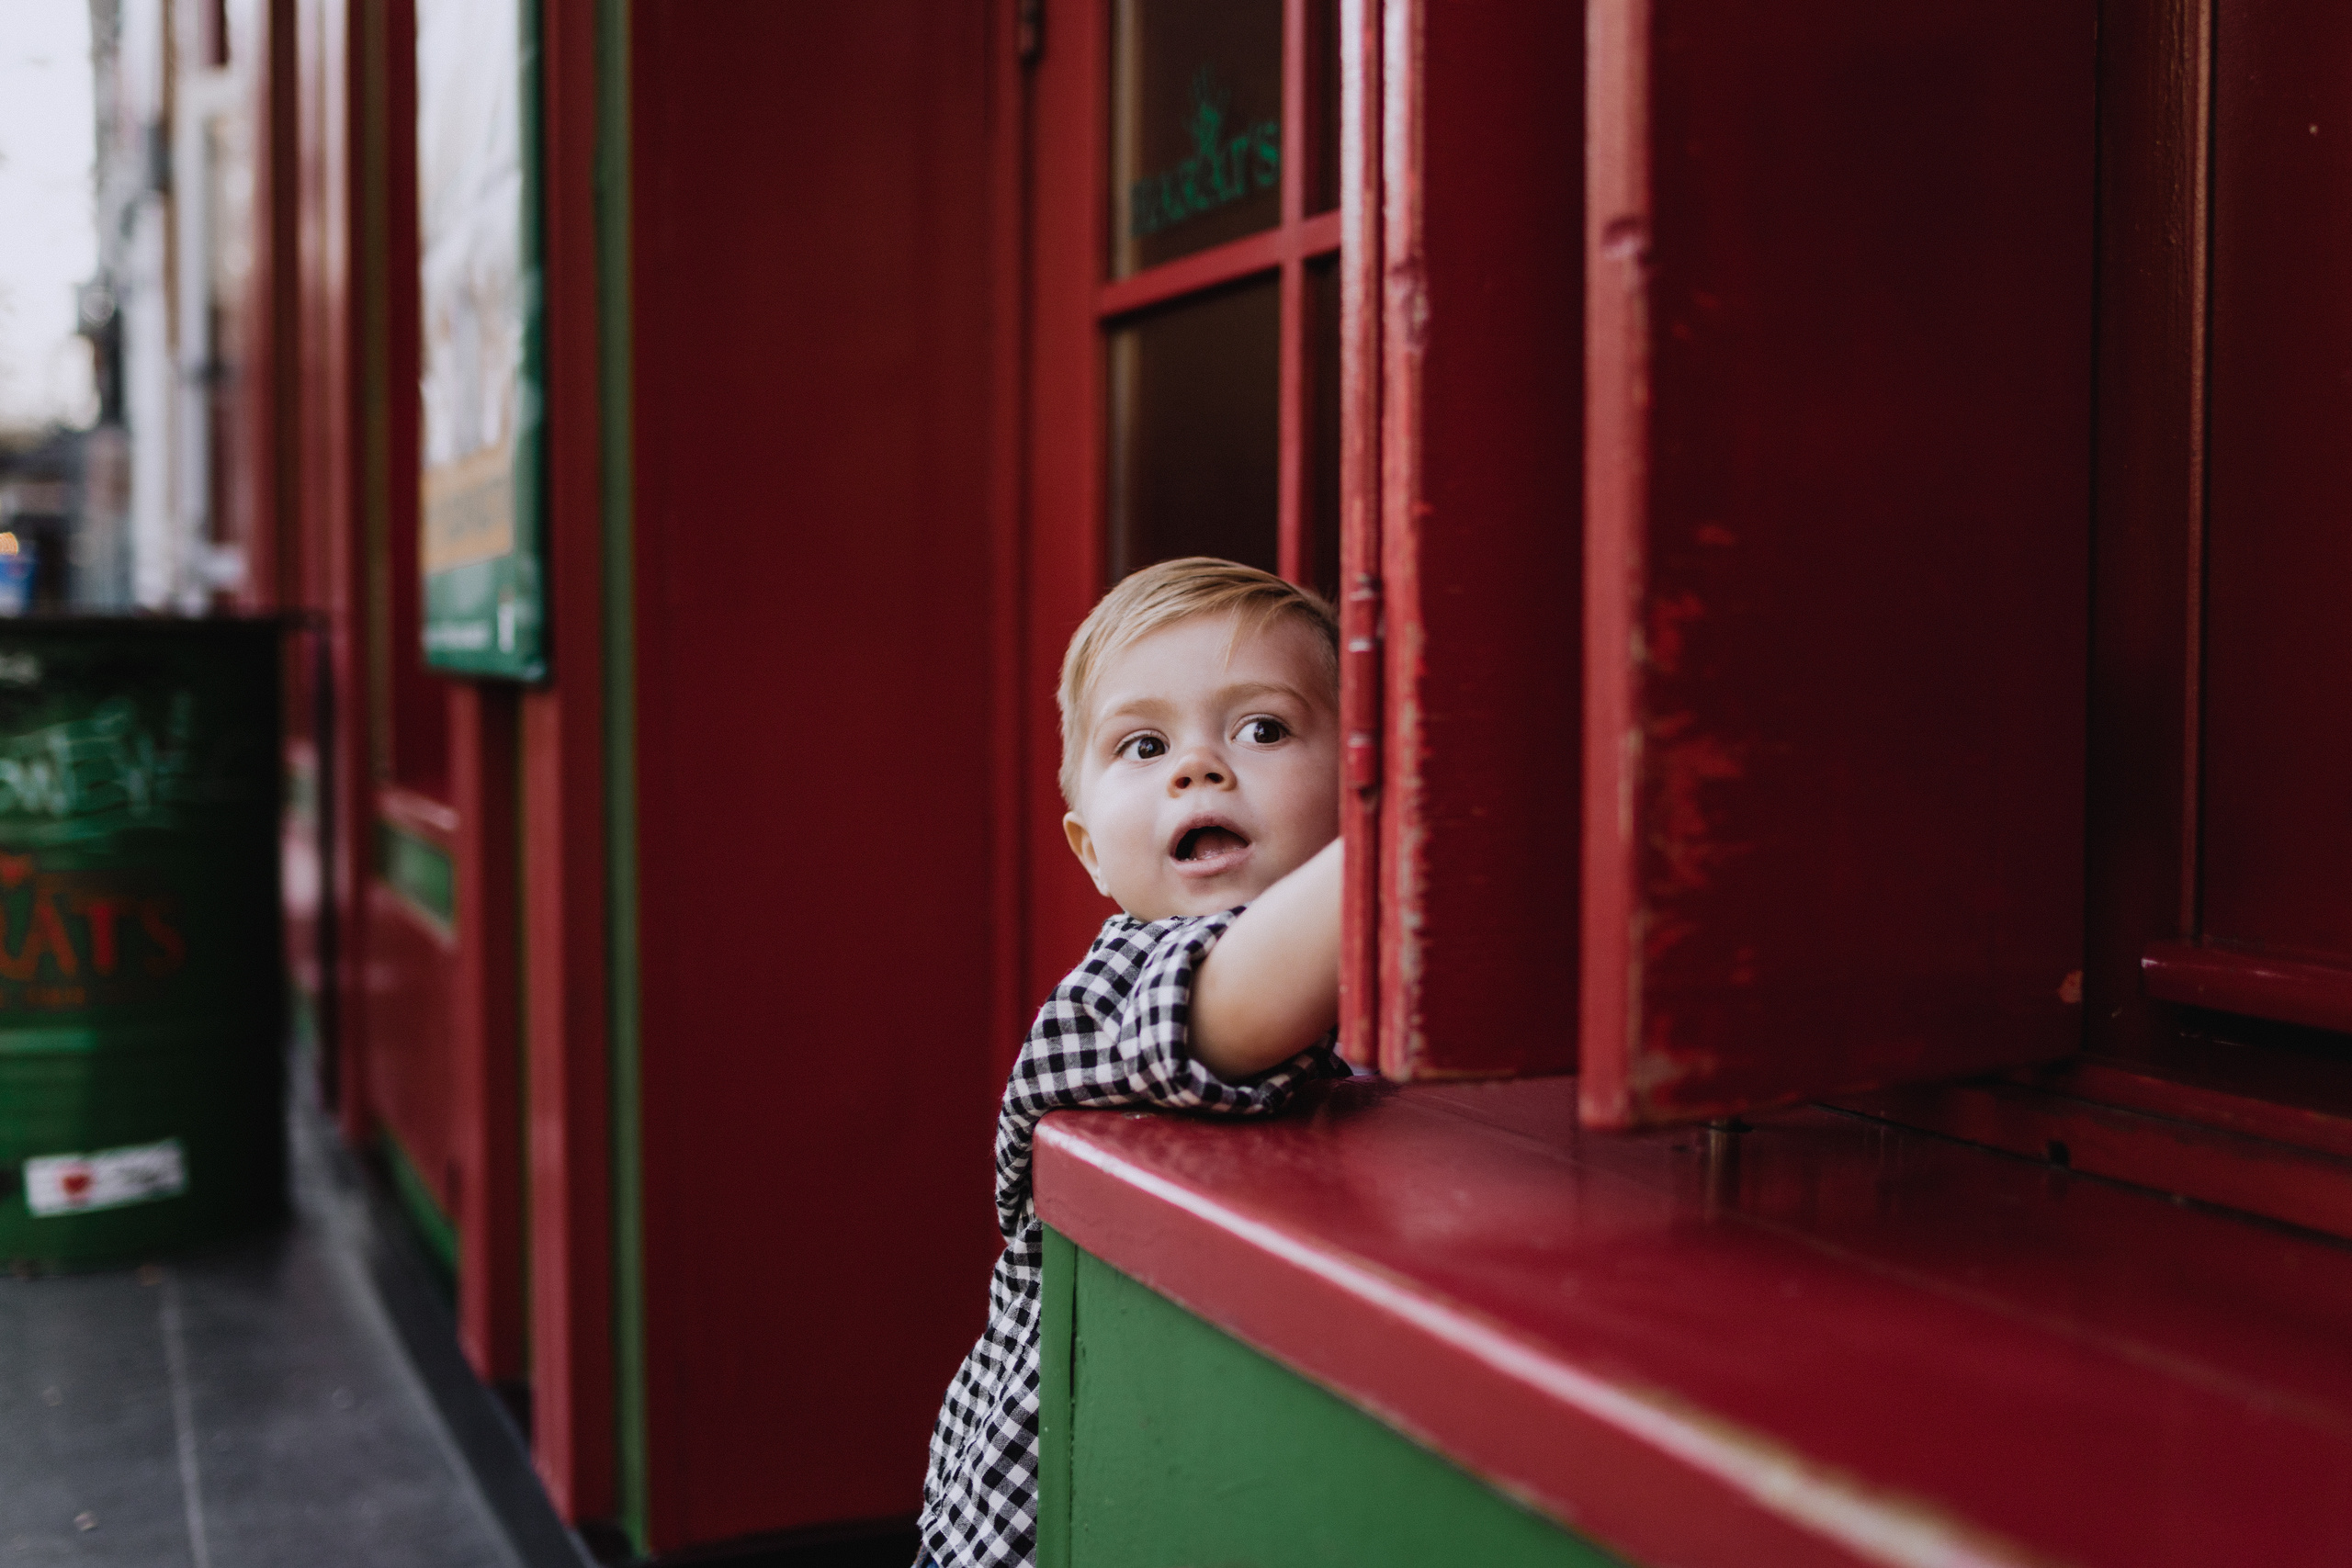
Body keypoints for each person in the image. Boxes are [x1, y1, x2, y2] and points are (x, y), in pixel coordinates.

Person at [917, 557, 1351, 1568]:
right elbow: (1244, 993)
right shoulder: (1117, 986)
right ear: (1089, 851)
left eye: (1264, 729)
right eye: (1144, 746)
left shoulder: (1358, 986)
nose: (1198, 767)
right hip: (1031, 1526)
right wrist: (1415, 811)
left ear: (1351, 774)